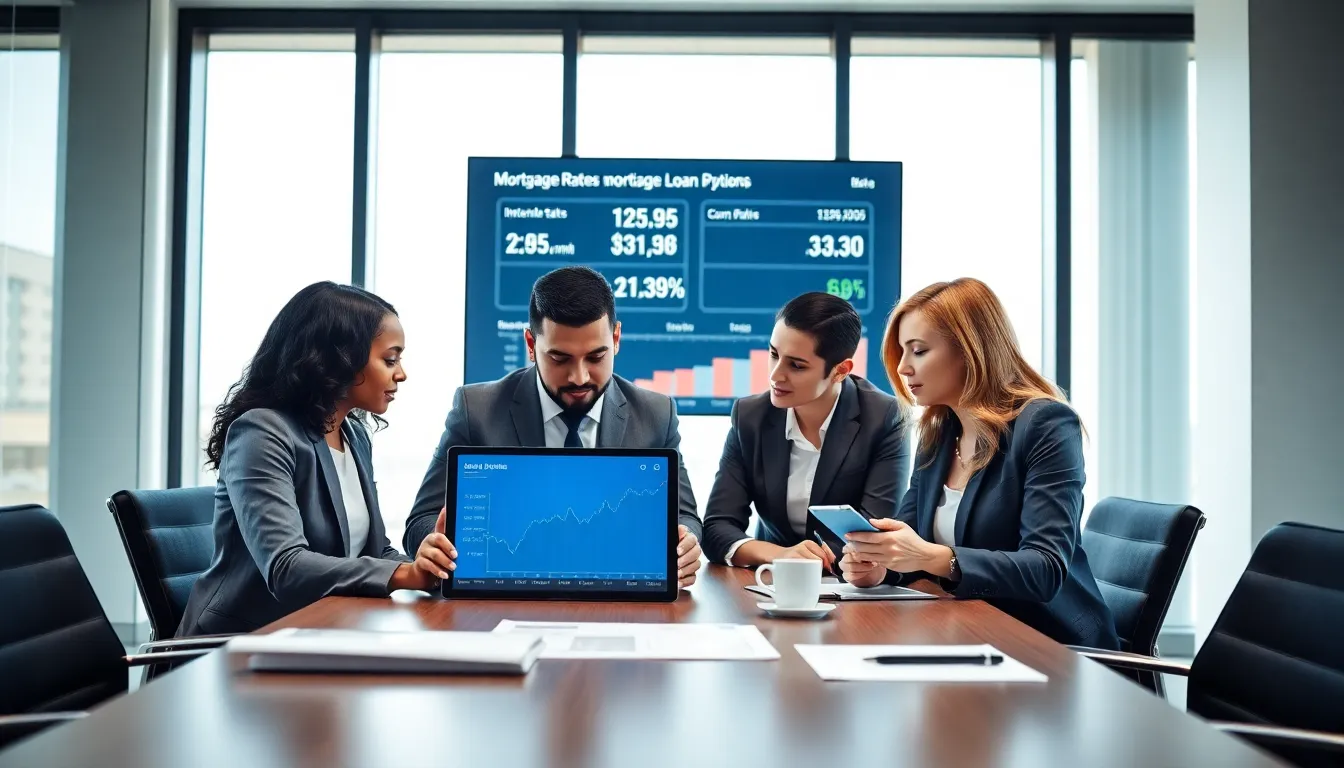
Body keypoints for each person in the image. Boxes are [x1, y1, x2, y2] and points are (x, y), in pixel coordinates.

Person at [839, 277, 1119, 649]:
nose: (904, 368)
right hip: (968, 634)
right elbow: (909, 539)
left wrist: (934, 557)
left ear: (970, 351)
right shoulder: (938, 434)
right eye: (902, 353)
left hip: (1049, 646)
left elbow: (1045, 569)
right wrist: (879, 566)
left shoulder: (1046, 425)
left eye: (918, 351)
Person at [404, 266, 704, 589]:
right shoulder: (475, 410)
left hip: (614, 597)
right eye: (560, 359)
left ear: (616, 339)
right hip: (507, 596)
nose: (580, 377)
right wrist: (437, 544)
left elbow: (685, 517)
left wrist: (686, 546)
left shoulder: (656, 414)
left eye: (595, 357)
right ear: (531, 344)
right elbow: (420, 521)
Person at [178, 282, 439, 637]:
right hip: (240, 647)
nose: (401, 373)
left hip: (321, 632)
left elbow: (373, 550)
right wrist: (404, 575)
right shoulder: (262, 432)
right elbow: (287, 567)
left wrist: (423, 564)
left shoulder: (354, 434)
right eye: (389, 359)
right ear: (340, 358)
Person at [702, 292, 910, 570]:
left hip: (850, 588)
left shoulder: (884, 419)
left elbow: (875, 534)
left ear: (840, 370)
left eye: (796, 365)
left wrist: (810, 561)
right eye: (773, 354)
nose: (776, 374)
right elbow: (717, 527)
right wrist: (779, 555)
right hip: (769, 583)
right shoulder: (750, 417)